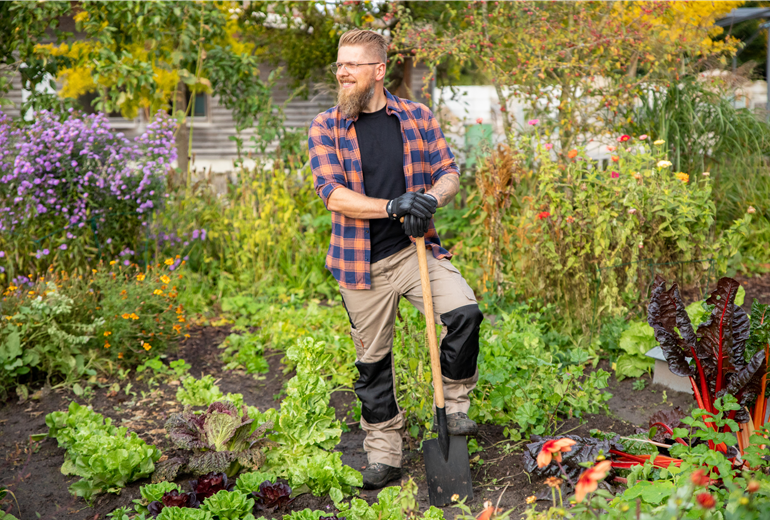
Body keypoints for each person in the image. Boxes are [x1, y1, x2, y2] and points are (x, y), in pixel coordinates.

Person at [308, 29, 483, 491]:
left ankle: (455, 406)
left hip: (414, 252)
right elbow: (333, 195)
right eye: (339, 65)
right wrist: (391, 206)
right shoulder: (327, 126)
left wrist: (428, 200)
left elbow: (448, 173)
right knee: (373, 364)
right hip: (359, 264)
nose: (342, 73)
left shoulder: (417, 118)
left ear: (378, 71)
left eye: (352, 65)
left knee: (464, 312)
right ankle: (384, 454)